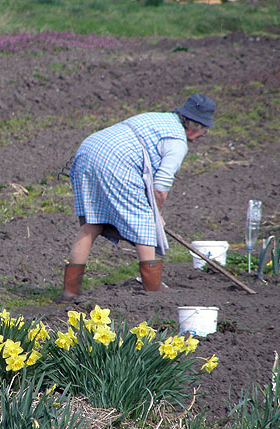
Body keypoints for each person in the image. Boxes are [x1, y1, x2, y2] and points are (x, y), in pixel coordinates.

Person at [60, 93, 215, 301]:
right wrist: (156, 215)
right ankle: (153, 288)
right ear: (194, 126)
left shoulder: (158, 118)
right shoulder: (177, 142)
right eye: (204, 129)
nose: (204, 135)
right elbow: (160, 187)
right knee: (144, 224)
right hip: (115, 161)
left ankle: (70, 292)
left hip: (88, 150)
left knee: (92, 224)